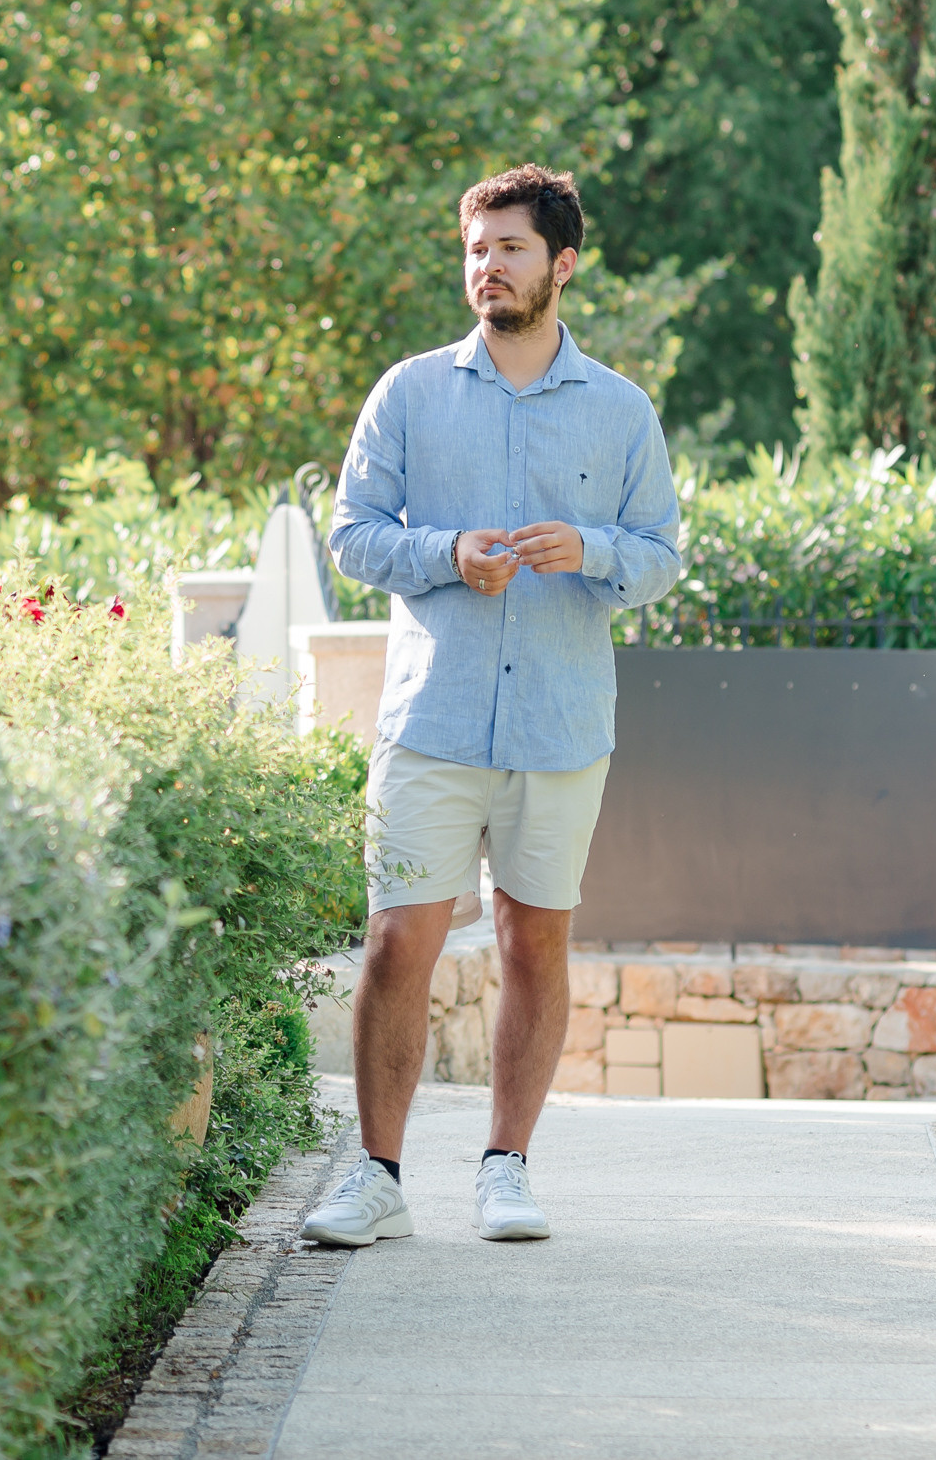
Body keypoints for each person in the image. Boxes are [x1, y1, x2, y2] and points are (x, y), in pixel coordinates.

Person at [302, 165, 683, 1248]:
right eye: (476, 249)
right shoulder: (410, 392)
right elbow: (353, 532)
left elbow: (660, 555)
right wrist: (442, 552)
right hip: (433, 718)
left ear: (560, 265)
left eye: (509, 249)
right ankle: (376, 1176)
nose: (488, 268)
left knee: (533, 943)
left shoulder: (619, 410)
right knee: (396, 943)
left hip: (558, 724)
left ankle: (505, 1169)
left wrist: (593, 549)